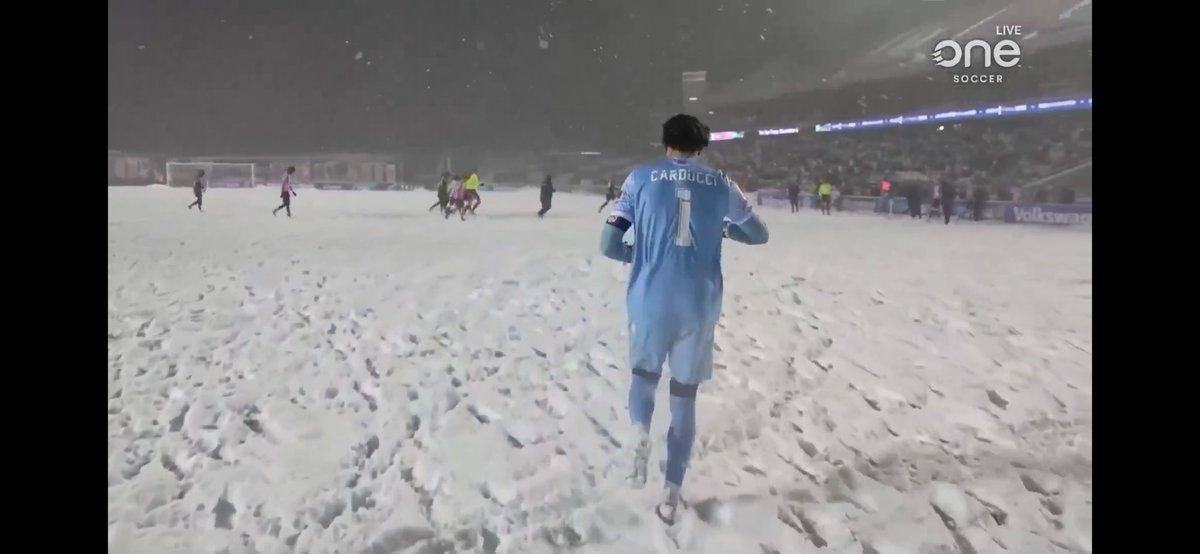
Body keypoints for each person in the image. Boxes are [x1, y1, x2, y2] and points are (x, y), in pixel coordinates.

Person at [599, 114, 769, 525]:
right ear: (701, 147)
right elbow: (759, 235)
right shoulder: (721, 183)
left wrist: (637, 255)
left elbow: (608, 243)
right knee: (684, 397)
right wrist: (724, 231)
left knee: (644, 377)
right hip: (698, 302)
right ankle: (671, 494)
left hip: (650, 299)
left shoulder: (639, 179)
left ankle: (640, 434)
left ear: (665, 142)